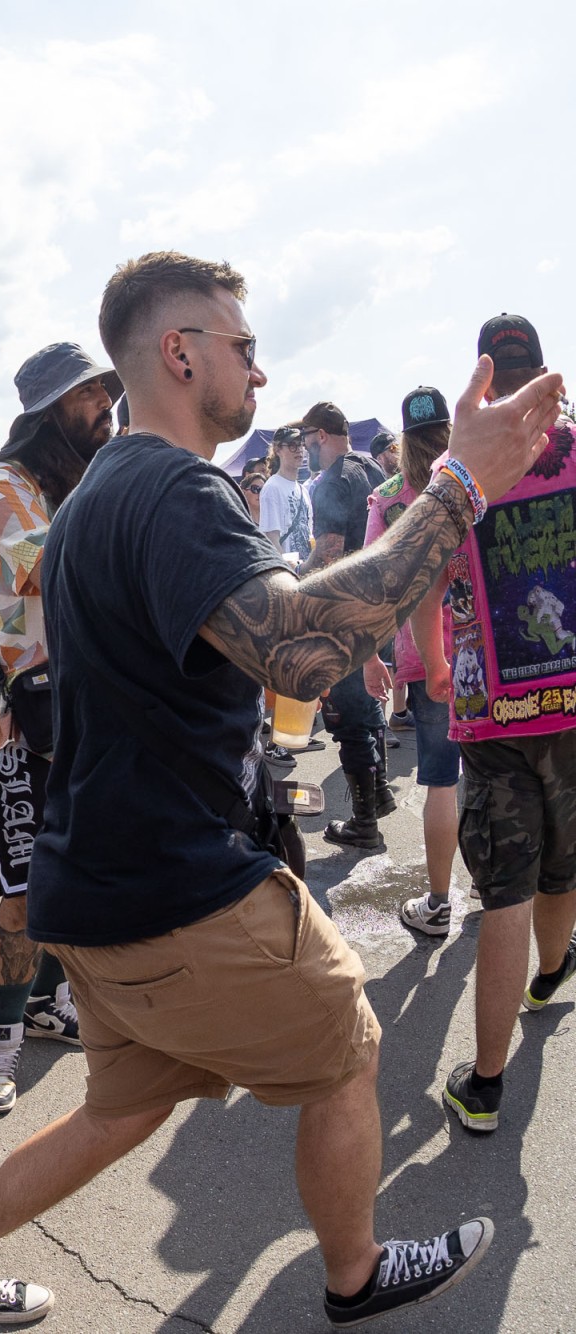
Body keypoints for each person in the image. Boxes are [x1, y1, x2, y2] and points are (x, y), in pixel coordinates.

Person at [0, 249, 547, 1326]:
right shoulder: (173, 485)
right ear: (180, 353)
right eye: (244, 345)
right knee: (349, 1045)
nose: (259, 371)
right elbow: (297, 650)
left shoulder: (99, 492)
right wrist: (456, 487)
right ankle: (355, 1274)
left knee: (118, 1110)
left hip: (94, 884)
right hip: (177, 882)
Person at [415, 314, 576, 1136]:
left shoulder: (459, 465)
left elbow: (421, 578)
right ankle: (551, 975)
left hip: (492, 712)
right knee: (564, 860)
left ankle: (484, 1086)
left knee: (506, 890)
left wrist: (434, 661)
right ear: (544, 374)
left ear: (486, 381)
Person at [0, 343, 114, 1116]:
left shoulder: (73, 483)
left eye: (109, 390)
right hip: (17, 720)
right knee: (23, 893)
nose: (107, 405)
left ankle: (49, 1004)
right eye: (90, 395)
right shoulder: (1, 488)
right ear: (50, 411)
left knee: (72, 876)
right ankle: (3, 1038)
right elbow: (56, 568)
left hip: (80, 711)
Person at [371, 388, 461, 940]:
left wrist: (369, 657)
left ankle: (439, 903)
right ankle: (495, 885)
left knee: (441, 783)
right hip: (482, 649)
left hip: (424, 656)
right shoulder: (471, 477)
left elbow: (373, 583)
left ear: (402, 439)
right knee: (491, 777)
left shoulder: (387, 497)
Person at [299, 401, 394, 849]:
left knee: (345, 715)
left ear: (320, 435)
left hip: (345, 614)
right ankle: (380, 793)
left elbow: (329, 553)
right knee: (368, 704)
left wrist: (296, 581)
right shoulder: (372, 468)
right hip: (380, 608)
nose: (305, 450)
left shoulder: (332, 481)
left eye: (306, 441)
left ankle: (364, 822)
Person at [257, 423, 313, 561]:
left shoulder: (303, 490)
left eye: (301, 445)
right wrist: (291, 569)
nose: (299, 450)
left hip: (307, 568)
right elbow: (271, 539)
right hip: (289, 569)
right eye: (292, 445)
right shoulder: (272, 487)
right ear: (278, 450)